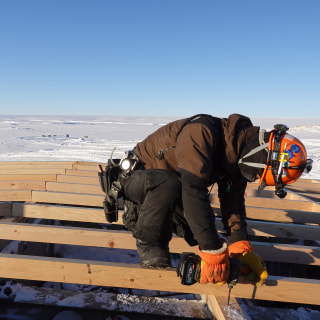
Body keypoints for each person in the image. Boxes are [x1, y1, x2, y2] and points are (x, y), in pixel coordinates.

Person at [101, 113, 312, 286]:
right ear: (258, 156)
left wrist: (239, 246)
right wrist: (212, 249)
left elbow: (233, 204)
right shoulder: (201, 133)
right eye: (258, 175)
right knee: (175, 187)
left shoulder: (237, 156)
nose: (256, 179)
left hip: (172, 190)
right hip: (139, 182)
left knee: (202, 230)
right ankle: (150, 244)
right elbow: (192, 189)